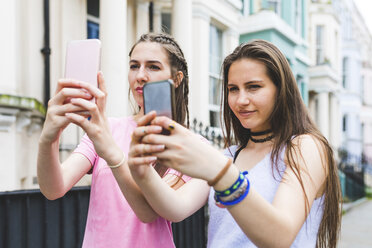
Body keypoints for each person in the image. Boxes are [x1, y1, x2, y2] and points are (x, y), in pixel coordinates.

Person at [129, 39, 341, 248]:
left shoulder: (306, 147)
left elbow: (279, 237)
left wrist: (222, 174)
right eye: (233, 89)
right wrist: (140, 170)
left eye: (253, 87)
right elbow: (174, 208)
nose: (240, 100)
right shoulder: (230, 155)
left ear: (281, 90)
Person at [37, 33, 209, 248]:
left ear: (176, 79)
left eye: (153, 67)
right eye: (134, 66)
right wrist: (48, 138)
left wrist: (112, 153)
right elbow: (54, 189)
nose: (141, 75)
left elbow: (148, 212)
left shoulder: (194, 147)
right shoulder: (107, 129)